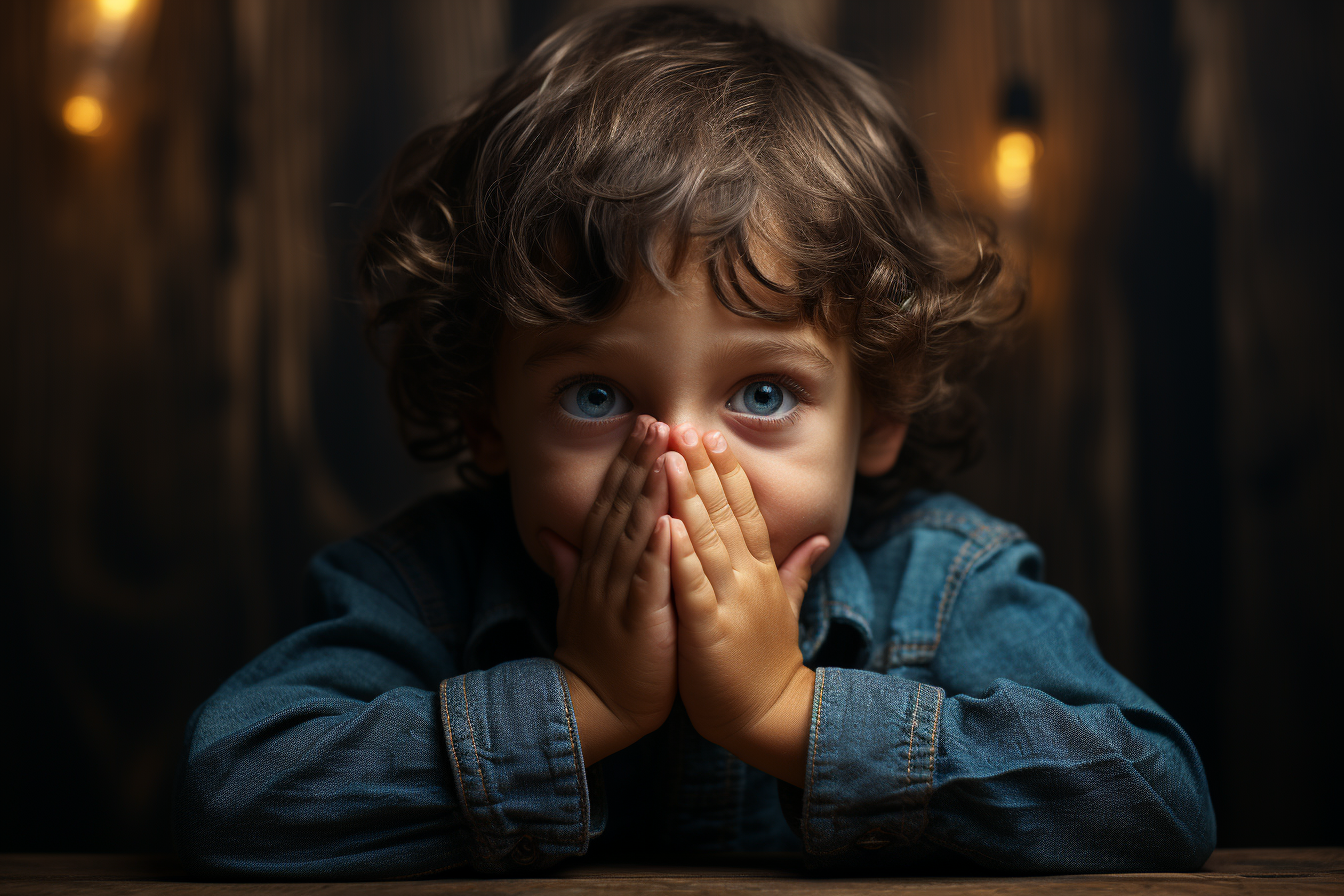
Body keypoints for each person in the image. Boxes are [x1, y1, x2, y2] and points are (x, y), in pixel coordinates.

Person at [173, 3, 1215, 879]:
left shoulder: (943, 583)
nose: (675, 463)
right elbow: (231, 788)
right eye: (594, 393)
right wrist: (581, 703)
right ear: (487, 417)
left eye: (763, 390)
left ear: (880, 415)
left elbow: (1151, 795)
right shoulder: (425, 586)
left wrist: (787, 711)